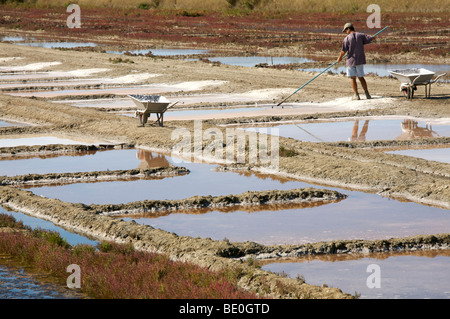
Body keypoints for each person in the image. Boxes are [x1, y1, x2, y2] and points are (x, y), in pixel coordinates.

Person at [337, 23, 373, 100]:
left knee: (353, 78)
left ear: (348, 29)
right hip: (360, 60)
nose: (345, 32)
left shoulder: (347, 38)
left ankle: (356, 95)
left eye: (345, 30)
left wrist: (339, 58)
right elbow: (371, 39)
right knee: (361, 77)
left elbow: (343, 51)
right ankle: (367, 94)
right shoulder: (361, 35)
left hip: (351, 60)